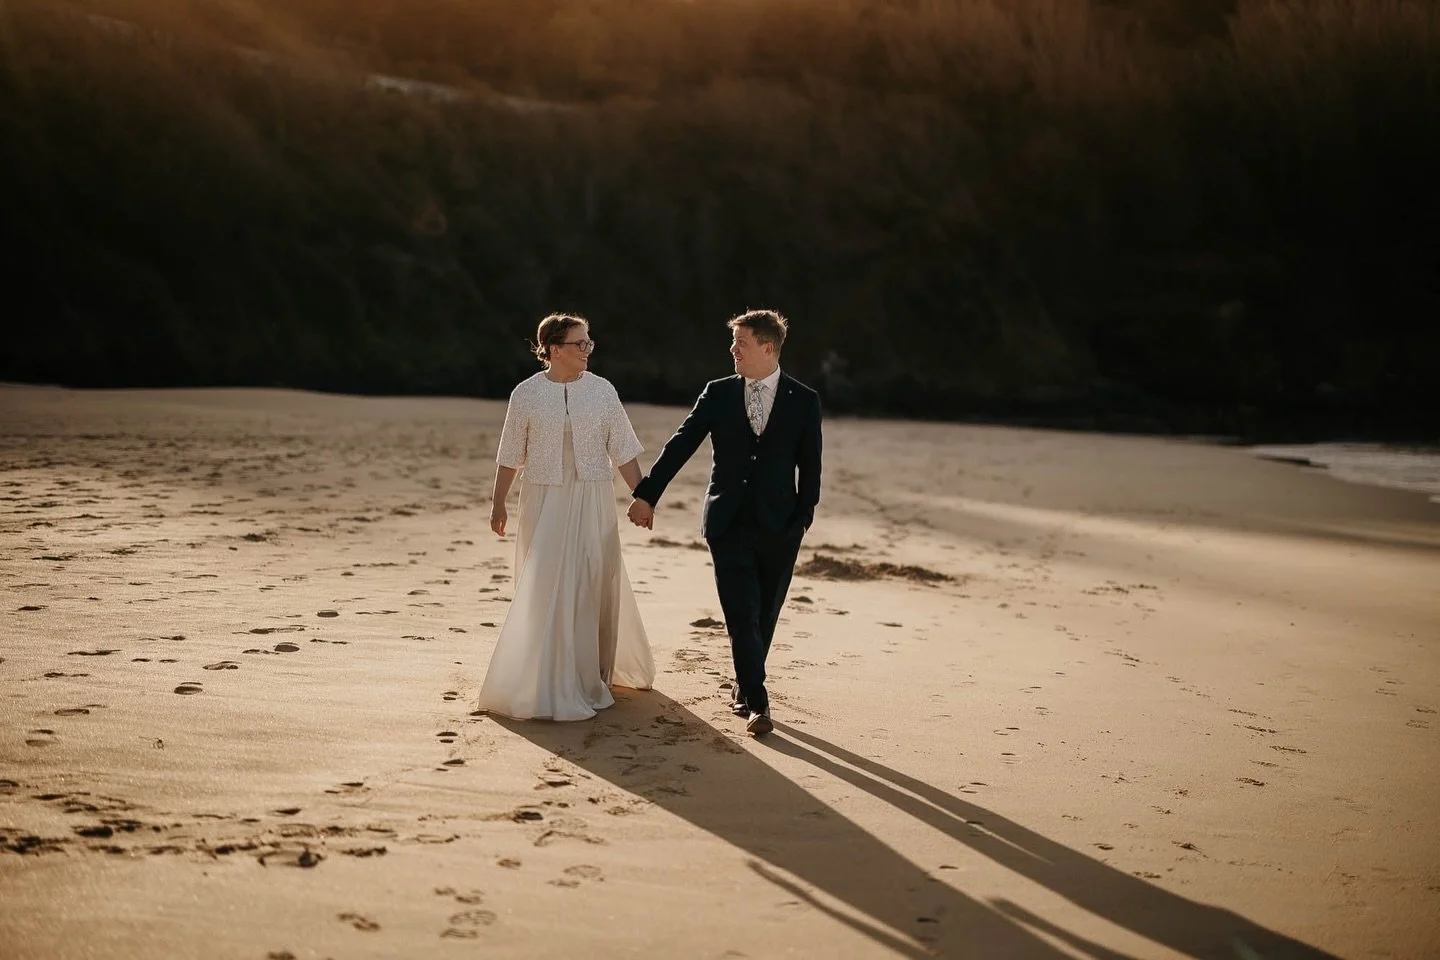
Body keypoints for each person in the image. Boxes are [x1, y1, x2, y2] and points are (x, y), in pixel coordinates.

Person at [628, 309, 822, 736]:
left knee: (765, 613)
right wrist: (647, 494)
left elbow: (810, 466)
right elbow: (682, 443)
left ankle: (743, 683)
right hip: (727, 521)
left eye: (741, 342)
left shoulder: (804, 400)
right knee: (740, 610)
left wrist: (802, 518)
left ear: (768, 347)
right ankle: (758, 701)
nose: (733, 349)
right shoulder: (717, 393)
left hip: (780, 524)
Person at [477, 313, 655, 721]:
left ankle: (586, 672)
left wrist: (644, 497)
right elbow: (509, 456)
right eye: (580, 344)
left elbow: (623, 451)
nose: (588, 350)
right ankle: (542, 673)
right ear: (554, 350)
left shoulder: (603, 391)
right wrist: (498, 502)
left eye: (589, 343)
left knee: (590, 580)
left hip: (592, 497)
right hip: (544, 499)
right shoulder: (525, 394)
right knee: (544, 584)